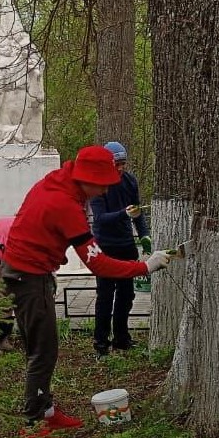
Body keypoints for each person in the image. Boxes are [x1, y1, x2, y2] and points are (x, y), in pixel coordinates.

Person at [0, 145, 172, 438]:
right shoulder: (65, 205)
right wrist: (145, 266)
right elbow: (98, 263)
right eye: (103, 183)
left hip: (28, 272)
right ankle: (33, 425)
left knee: (42, 348)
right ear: (86, 178)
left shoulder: (58, 181)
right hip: (27, 278)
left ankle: (47, 410)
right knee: (43, 352)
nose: (106, 189)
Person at [90, 141, 152, 356]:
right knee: (105, 295)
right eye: (116, 164)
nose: (120, 168)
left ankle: (121, 338)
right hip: (105, 246)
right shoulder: (98, 185)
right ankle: (100, 342)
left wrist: (143, 234)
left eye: (123, 163)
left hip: (126, 245)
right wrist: (124, 214)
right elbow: (100, 218)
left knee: (127, 294)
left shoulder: (130, 181)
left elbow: (138, 211)